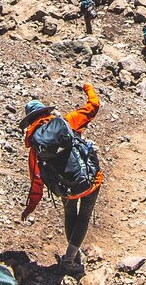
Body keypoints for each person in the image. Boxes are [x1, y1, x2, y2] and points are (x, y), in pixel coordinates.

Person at [20, 83, 103, 275]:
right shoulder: (67, 122)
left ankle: (72, 255)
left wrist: (30, 207)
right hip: (90, 181)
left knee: (70, 213)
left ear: (30, 121)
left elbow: (36, 182)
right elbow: (94, 106)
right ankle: (70, 258)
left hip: (64, 187)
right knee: (84, 217)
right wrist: (88, 87)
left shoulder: (36, 147)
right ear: (45, 112)